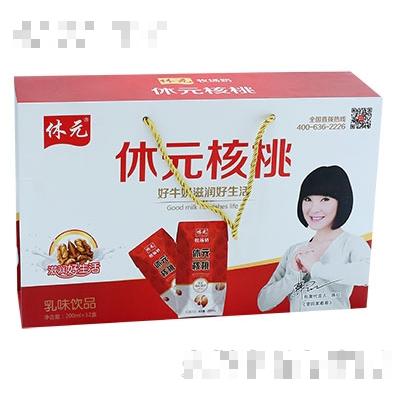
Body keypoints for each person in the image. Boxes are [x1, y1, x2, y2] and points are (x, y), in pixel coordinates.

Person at [257, 165, 370, 312]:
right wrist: (293, 276)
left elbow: (367, 274)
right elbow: (263, 302)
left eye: (325, 199)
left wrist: (316, 268)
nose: (314, 209)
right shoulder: (295, 250)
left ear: (341, 201)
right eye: (308, 199)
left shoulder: (351, 243)